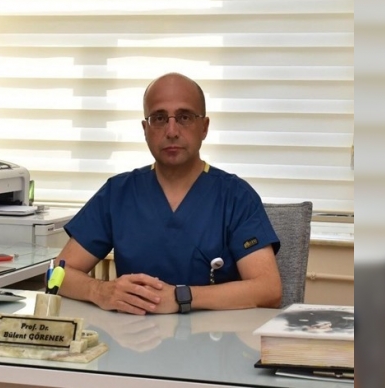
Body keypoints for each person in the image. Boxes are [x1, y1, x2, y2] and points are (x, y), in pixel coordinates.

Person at [55, 72, 282, 315]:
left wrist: (181, 297)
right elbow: (57, 274)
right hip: (134, 334)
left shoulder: (236, 196)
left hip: (214, 336)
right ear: (145, 129)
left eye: (184, 117)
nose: (172, 131)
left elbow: (268, 290)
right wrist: (100, 291)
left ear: (204, 127)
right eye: (159, 118)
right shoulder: (118, 193)